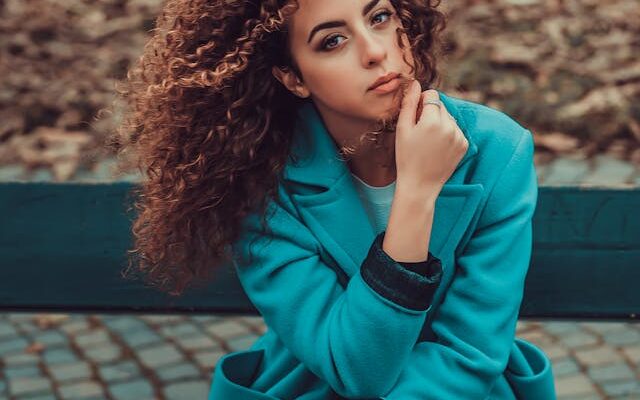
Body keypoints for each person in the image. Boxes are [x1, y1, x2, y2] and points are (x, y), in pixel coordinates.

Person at [111, 0, 557, 398]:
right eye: (333, 41)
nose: (375, 51)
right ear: (293, 77)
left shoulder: (497, 151)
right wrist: (417, 194)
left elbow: (470, 351)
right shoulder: (255, 183)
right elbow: (355, 368)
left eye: (379, 17)